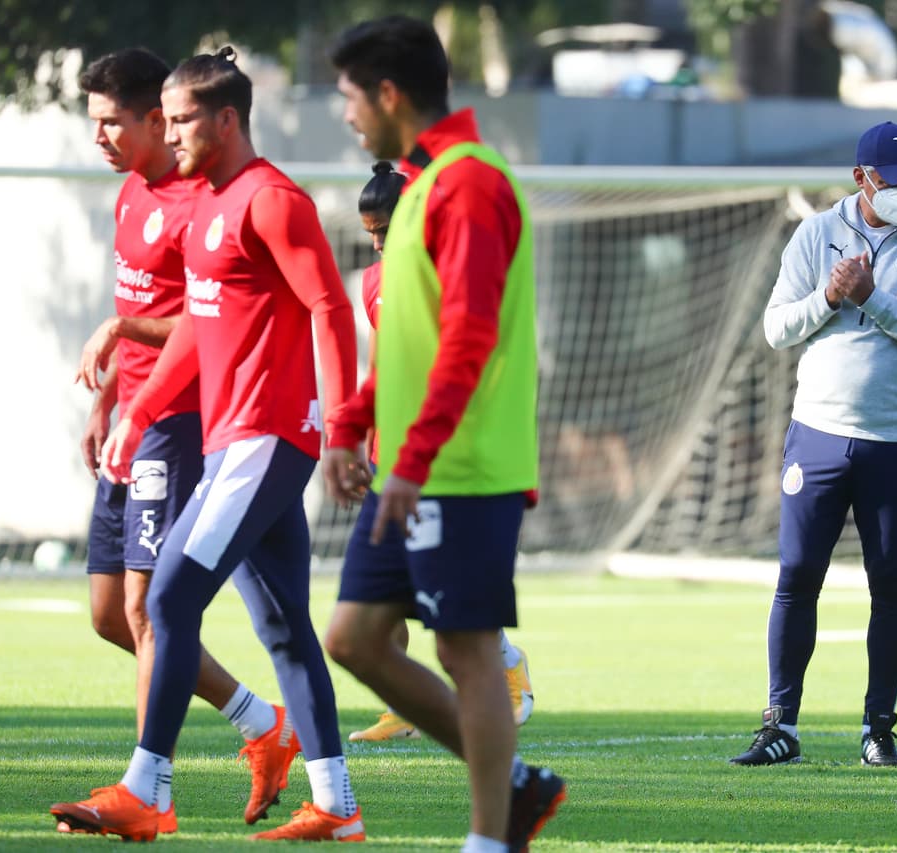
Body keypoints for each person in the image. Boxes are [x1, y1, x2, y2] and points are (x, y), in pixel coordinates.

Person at [50, 47, 365, 842]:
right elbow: (197, 329)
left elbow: (329, 308)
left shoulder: (271, 200)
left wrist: (341, 429)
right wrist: (135, 407)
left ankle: (147, 789)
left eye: (184, 118)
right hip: (230, 440)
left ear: (226, 120)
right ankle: (337, 805)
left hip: (264, 439)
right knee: (284, 621)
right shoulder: (211, 207)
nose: (172, 131)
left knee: (163, 599)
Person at [326, 16, 564, 853]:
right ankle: (518, 786)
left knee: (468, 654)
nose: (347, 115)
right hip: (412, 465)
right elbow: (409, 344)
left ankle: (490, 837)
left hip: (461, 471)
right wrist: (350, 427)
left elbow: (466, 337)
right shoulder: (424, 184)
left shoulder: (469, 184)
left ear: (389, 95)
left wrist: (411, 459)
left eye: (350, 97)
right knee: (352, 638)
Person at [730, 121, 897, 768]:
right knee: (797, 576)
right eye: (894, 182)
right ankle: (780, 722)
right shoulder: (816, 234)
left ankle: (879, 728)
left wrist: (873, 299)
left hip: (895, 436)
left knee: (892, 585)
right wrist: (828, 296)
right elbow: (777, 327)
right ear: (862, 179)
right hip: (817, 433)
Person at [342, 161, 535, 744]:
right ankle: (405, 706)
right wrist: (355, 431)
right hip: (390, 452)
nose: (377, 243)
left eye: (386, 229)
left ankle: (510, 670)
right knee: (378, 601)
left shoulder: (447, 269)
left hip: (445, 457)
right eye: (370, 233)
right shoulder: (376, 282)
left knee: (448, 606)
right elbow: (384, 364)